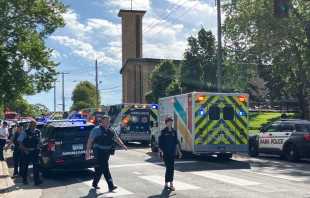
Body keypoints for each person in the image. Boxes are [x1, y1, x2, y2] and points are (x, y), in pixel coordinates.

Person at [86, 115, 128, 191]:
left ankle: (94, 183)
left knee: (100, 168)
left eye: (108, 121)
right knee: (105, 167)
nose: (107, 122)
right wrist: (87, 153)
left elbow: (116, 138)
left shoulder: (111, 129)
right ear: (102, 121)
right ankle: (110, 185)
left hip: (107, 152)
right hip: (99, 151)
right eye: (105, 120)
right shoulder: (96, 130)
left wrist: (123, 145)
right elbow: (90, 140)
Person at [158, 116, 182, 191]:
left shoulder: (174, 132)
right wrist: (159, 152)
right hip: (165, 153)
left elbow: (176, 143)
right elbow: (160, 143)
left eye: (171, 122)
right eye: (169, 122)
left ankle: (169, 183)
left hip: (172, 152)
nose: (170, 123)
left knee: (171, 168)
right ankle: (169, 183)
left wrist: (179, 152)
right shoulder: (163, 131)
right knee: (169, 167)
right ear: (166, 123)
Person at [17, 120, 43, 186]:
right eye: (33, 125)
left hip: (35, 152)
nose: (34, 126)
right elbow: (19, 141)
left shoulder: (38, 132)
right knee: (25, 166)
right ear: (30, 125)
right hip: (27, 152)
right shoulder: (25, 132)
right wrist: (24, 149)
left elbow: (40, 142)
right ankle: (24, 180)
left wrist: (41, 148)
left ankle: (36, 181)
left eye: (35, 125)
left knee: (36, 167)